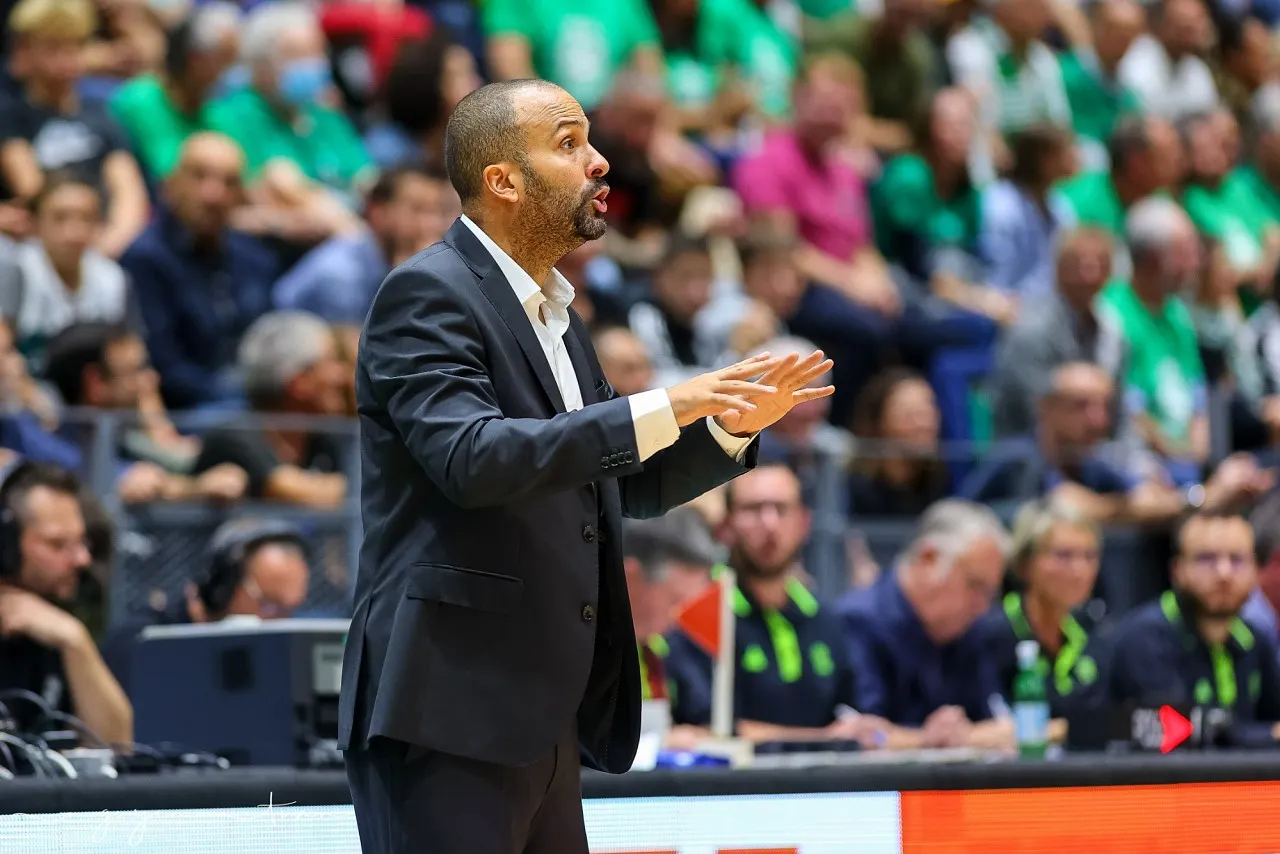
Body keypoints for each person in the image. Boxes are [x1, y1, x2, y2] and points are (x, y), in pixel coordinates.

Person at [338, 79, 834, 854]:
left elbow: (615, 484)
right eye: (569, 143)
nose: (599, 162)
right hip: (450, 710)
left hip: (543, 715)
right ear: (502, 180)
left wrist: (729, 431)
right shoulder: (425, 294)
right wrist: (666, 404)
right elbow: (471, 459)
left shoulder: (558, 318)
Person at [664, 464, 863, 742]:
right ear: (725, 526)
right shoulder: (697, 615)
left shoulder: (825, 618)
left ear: (804, 523)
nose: (769, 524)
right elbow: (709, 731)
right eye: (753, 509)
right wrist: (825, 738)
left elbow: (857, 716)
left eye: (781, 509)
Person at [835, 499, 1013, 750]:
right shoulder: (858, 622)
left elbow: (1002, 728)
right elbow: (862, 737)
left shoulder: (969, 631)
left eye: (990, 594)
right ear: (928, 559)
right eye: (975, 586)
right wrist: (926, 740)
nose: (983, 606)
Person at [1107, 510, 1280, 747]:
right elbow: (1180, 730)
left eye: (1237, 560)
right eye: (1206, 559)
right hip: (1162, 782)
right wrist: (1267, 734)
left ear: (1255, 571)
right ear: (1177, 570)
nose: (1224, 573)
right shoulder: (1145, 637)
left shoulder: (1254, 639)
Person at [100, 517, 310, 696]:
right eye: (269, 606)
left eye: (290, 610)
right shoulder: (142, 646)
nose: (282, 623)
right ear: (223, 587)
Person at [0, 462, 132, 745]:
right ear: (6, 545)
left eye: (81, 542)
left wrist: (75, 641)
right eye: (57, 544)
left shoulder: (54, 627)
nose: (82, 560)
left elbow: (116, 747)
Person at [974, 500, 1105, 740]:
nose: (1079, 570)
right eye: (1063, 555)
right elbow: (984, 731)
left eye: (1090, 556)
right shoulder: (989, 633)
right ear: (1025, 563)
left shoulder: (1095, 636)